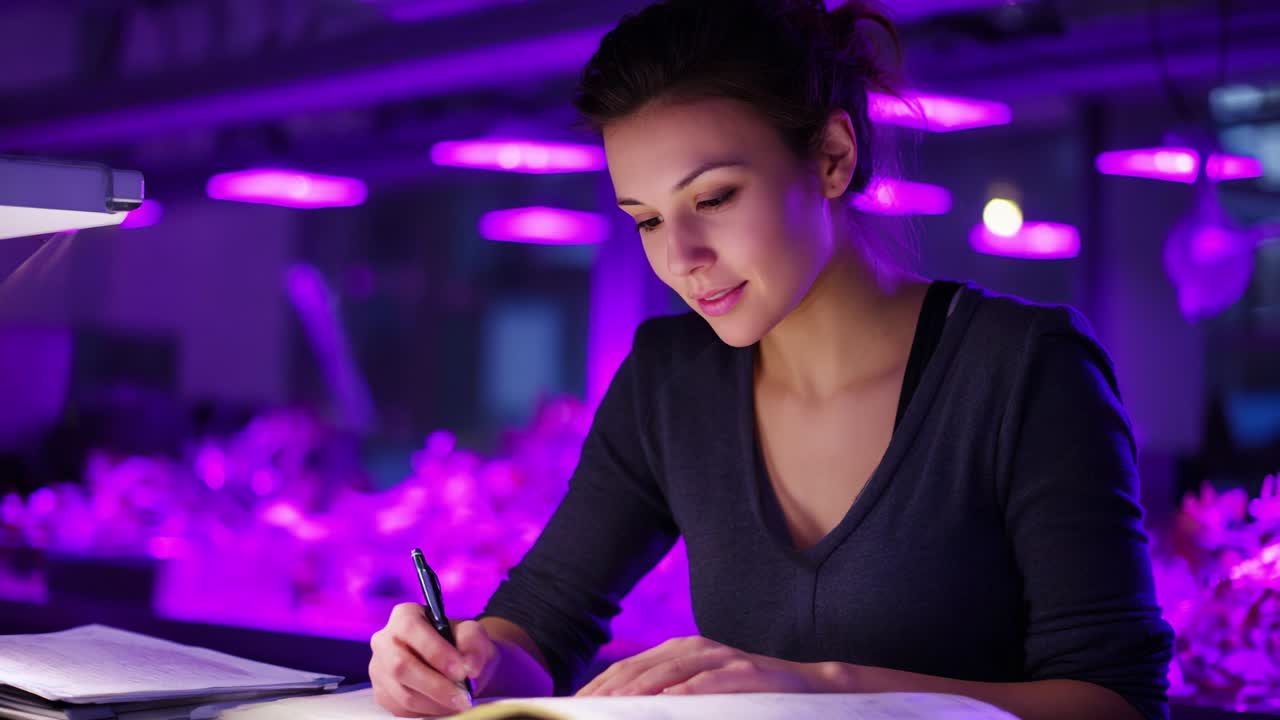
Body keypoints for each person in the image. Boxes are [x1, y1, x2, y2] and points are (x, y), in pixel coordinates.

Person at [368, 1, 1175, 718]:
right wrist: (459, 662)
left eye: (713, 199)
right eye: (646, 219)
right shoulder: (668, 379)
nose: (681, 256)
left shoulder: (1024, 368)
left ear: (831, 155)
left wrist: (819, 686)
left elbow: (1116, 700)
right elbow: (542, 624)